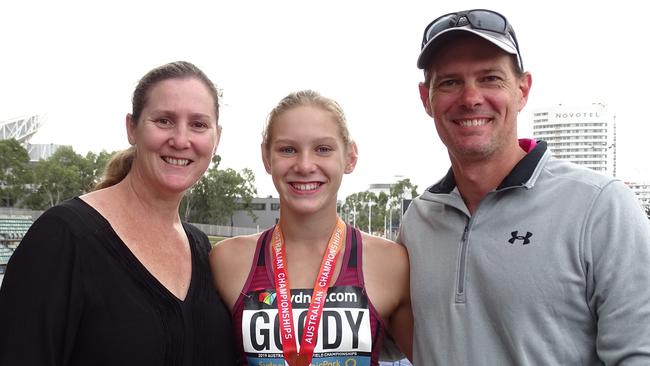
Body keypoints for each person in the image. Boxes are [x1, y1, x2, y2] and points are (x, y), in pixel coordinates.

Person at [399, 8, 650, 365]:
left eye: (490, 78)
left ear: (522, 90)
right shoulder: (418, 221)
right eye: (450, 82)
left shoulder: (600, 206)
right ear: (426, 98)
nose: (470, 97)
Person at [0, 61, 237, 365]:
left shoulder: (202, 249)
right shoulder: (64, 237)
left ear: (216, 137)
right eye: (164, 120)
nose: (180, 140)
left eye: (198, 125)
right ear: (131, 128)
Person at [210, 90, 412, 366]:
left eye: (323, 149)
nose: (305, 165)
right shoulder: (227, 261)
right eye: (288, 149)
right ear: (266, 157)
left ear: (350, 156)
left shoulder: (391, 263)